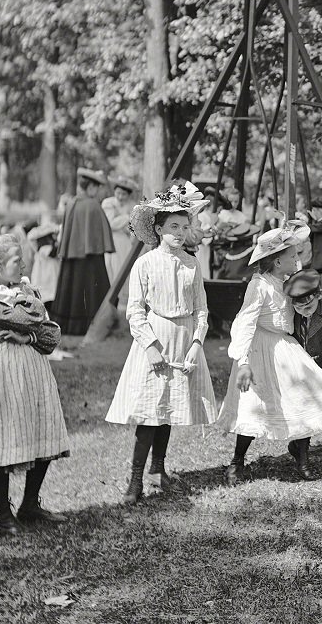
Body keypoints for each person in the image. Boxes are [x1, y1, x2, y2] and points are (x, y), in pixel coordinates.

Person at [104, 183, 218, 504]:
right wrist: (150, 346)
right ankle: (135, 479)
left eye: (185, 227)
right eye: (173, 227)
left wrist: (196, 343)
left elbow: (201, 309)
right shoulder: (145, 263)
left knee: (169, 407)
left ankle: (158, 469)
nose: (180, 233)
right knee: (150, 410)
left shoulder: (191, 264)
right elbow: (135, 310)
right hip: (155, 338)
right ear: (158, 229)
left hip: (183, 339)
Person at [217, 221, 322, 481]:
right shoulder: (259, 285)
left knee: (308, 384)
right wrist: (243, 361)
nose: (298, 258)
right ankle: (237, 461)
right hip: (261, 347)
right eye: (292, 255)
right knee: (255, 402)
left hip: (285, 344)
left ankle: (302, 456)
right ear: (277, 261)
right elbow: (245, 321)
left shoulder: (289, 280)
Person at [0, 233, 69, 534]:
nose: (25, 264)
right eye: (17, 260)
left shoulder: (24, 290)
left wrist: (29, 335)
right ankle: (2, 512)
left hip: (35, 369)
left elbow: (51, 335)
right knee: (4, 435)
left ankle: (30, 503)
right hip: (5, 370)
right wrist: (31, 317)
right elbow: (21, 318)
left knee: (40, 428)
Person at [50, 168, 116, 335]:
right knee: (93, 292)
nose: (98, 191)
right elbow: (102, 233)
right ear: (91, 187)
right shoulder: (93, 205)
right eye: (97, 187)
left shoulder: (71, 203)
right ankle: (93, 326)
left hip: (71, 259)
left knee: (70, 290)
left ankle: (69, 326)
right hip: (91, 259)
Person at [101, 176, 138, 299]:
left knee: (125, 268)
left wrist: (123, 224)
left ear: (129, 195)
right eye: (118, 193)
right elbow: (110, 223)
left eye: (124, 194)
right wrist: (126, 218)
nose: (120, 197)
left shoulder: (132, 205)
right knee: (110, 268)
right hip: (111, 240)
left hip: (125, 242)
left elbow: (133, 228)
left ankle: (124, 298)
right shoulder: (108, 203)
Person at [27, 222, 61, 310]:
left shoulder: (48, 249)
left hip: (52, 282)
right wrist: (48, 229)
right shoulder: (42, 249)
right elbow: (31, 236)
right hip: (45, 283)